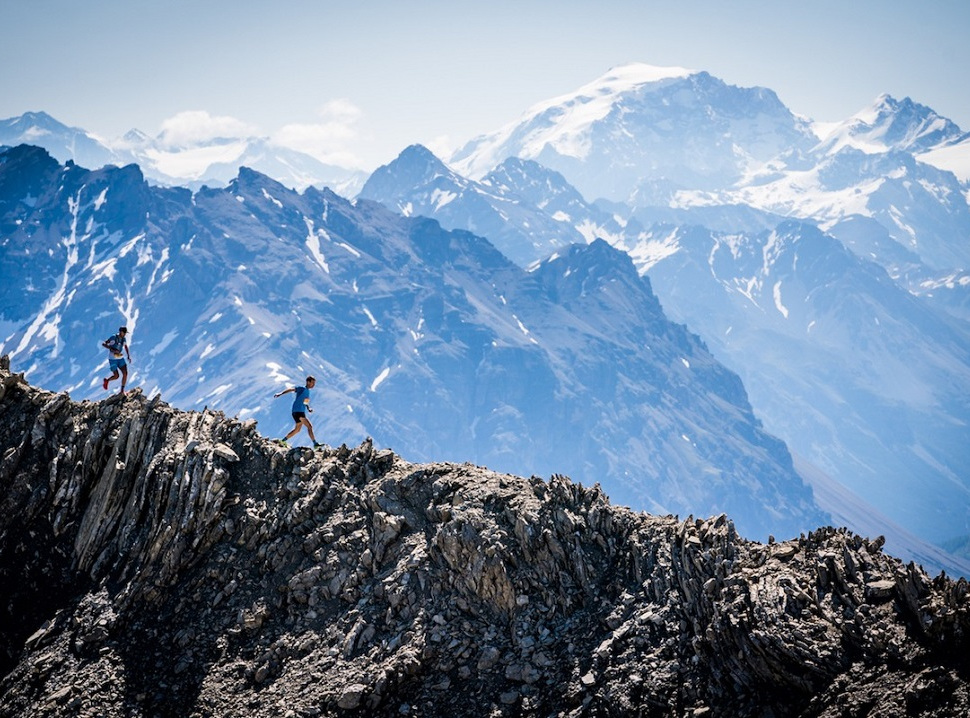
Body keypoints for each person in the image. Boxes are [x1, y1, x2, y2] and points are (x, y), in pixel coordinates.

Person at [274, 376, 322, 448]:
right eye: (312, 383)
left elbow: (305, 401)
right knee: (309, 426)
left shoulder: (308, 391)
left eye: (314, 383)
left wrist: (308, 408)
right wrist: (280, 393)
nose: (314, 385)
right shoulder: (302, 388)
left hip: (300, 411)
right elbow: (291, 389)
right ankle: (315, 444)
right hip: (298, 411)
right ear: (308, 382)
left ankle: (283, 441)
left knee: (297, 430)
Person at [101, 326, 131, 394]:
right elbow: (104, 344)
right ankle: (107, 380)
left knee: (125, 373)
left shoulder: (123, 339)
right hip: (112, 359)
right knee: (116, 376)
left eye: (125, 333)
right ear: (120, 332)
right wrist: (112, 349)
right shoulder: (113, 337)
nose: (125, 334)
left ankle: (122, 391)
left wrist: (128, 356)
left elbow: (125, 346)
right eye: (124, 332)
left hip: (120, 358)